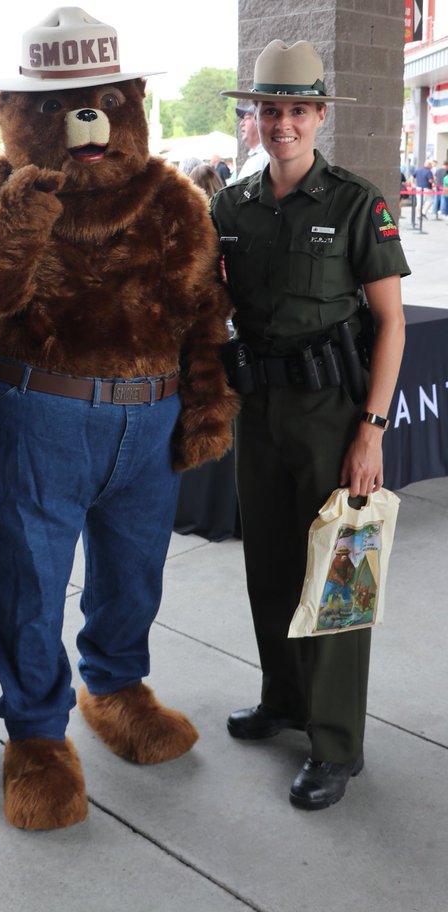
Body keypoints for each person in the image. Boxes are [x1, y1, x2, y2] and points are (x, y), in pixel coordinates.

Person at [213, 39, 409, 812]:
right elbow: (216, 306)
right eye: (270, 110)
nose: (282, 123)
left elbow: (390, 324)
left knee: (337, 577)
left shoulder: (358, 203)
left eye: (297, 110)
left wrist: (372, 428)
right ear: (254, 118)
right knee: (268, 566)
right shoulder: (230, 206)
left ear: (320, 115)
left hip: (334, 415)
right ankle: (284, 701)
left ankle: (336, 744)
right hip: (258, 411)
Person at [229, 104, 269, 181]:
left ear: (260, 122)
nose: (241, 123)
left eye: (247, 118)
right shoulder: (257, 156)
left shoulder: (267, 157)